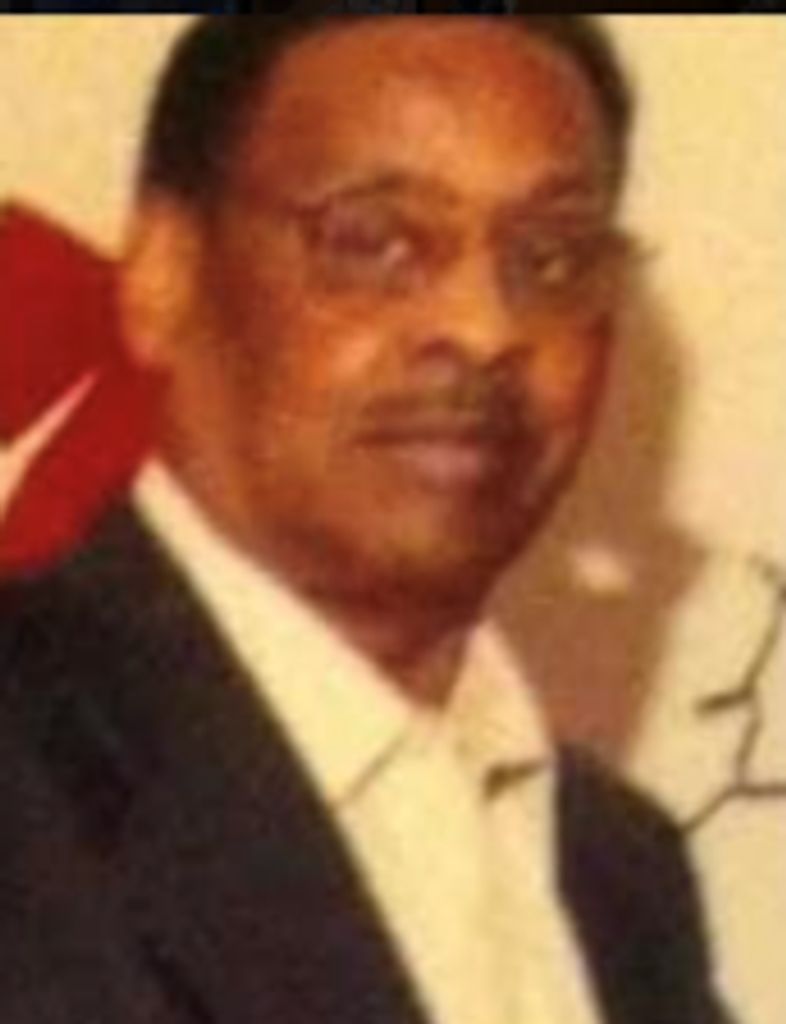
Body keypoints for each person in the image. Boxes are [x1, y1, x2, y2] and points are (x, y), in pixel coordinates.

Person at [0, 12, 732, 1024]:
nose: (484, 328)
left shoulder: (619, 875)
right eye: (375, 242)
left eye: (552, 257)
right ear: (163, 276)